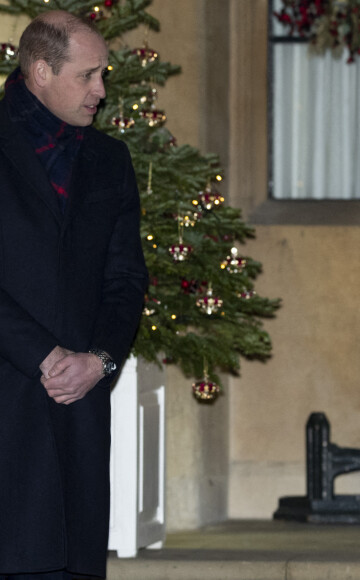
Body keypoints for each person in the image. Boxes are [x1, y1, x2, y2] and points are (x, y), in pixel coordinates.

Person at [0, 10, 148, 580]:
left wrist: (99, 361)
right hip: (9, 411)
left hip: (78, 417)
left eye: (103, 75)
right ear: (40, 70)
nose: (101, 91)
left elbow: (125, 280)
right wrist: (44, 354)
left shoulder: (110, 161)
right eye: (88, 76)